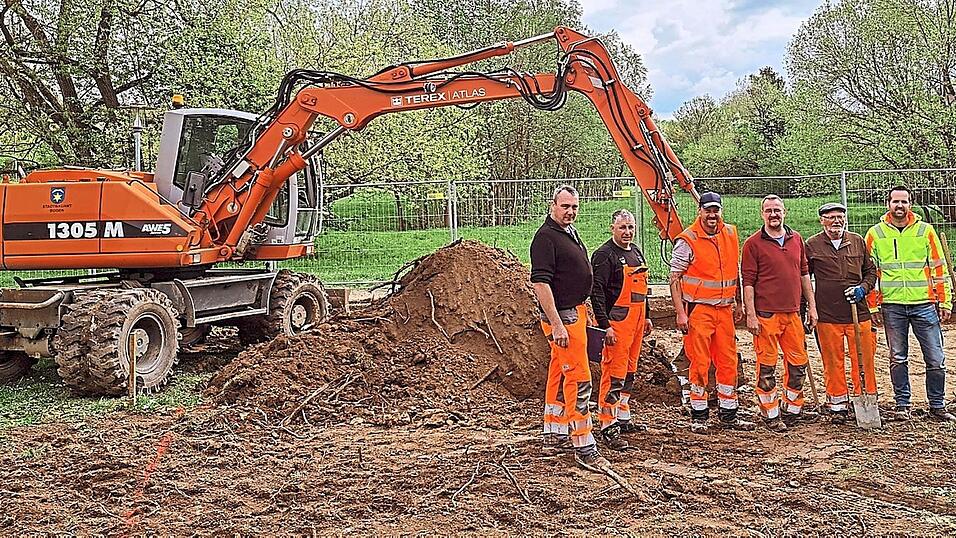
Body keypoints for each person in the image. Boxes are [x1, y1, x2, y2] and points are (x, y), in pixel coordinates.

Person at [530, 185, 610, 471]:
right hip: (563, 317)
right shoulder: (544, 239)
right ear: (552, 205)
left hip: (575, 312)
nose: (570, 212)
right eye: (565, 206)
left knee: (558, 370)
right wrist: (557, 324)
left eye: (574, 207)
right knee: (578, 377)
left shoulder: (568, 232)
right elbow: (541, 283)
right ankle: (583, 444)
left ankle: (554, 431)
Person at [865, 186, 955, 422]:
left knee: (935, 357)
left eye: (904, 202)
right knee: (897, 357)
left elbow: (939, 267)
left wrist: (944, 301)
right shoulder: (875, 234)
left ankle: (937, 405)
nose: (899, 206)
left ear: (910, 205)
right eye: (895, 201)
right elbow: (870, 274)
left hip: (924, 305)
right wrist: (873, 306)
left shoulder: (925, 231)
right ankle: (902, 405)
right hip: (892, 306)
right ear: (888, 204)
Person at [670, 192, 754, 433]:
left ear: (721, 212)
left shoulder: (730, 233)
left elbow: (733, 269)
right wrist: (680, 313)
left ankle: (729, 414)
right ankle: (699, 414)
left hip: (725, 310)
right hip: (699, 311)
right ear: (700, 211)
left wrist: (738, 301)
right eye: (707, 210)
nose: (712, 215)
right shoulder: (687, 239)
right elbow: (674, 277)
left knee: (728, 361)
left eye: (715, 210)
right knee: (699, 362)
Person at [742, 194, 818, 432]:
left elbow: (804, 274)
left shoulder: (796, 240)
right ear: (762, 214)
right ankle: (771, 414)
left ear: (784, 212)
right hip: (766, 316)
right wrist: (751, 315)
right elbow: (748, 282)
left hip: (793, 314)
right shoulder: (753, 244)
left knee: (798, 365)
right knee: (767, 367)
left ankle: (792, 410)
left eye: (777, 210)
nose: (773, 215)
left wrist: (812, 307)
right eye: (769, 211)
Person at [804, 202, 878, 423]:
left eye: (840, 217)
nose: (836, 221)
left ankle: (864, 400)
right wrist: (808, 308)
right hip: (827, 315)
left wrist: (862, 289)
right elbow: (804, 278)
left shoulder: (857, 241)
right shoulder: (812, 245)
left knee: (863, 360)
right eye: (831, 217)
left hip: (858, 313)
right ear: (822, 221)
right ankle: (837, 405)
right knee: (832, 361)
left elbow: (870, 272)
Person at [590, 209, 653, 450]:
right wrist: (605, 326)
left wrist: (646, 316)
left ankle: (622, 415)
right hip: (617, 324)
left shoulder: (636, 252)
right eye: (622, 228)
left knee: (629, 371)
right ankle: (608, 423)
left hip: (636, 323)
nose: (627, 232)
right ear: (612, 228)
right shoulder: (605, 255)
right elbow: (597, 293)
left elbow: (643, 290)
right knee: (613, 373)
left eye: (630, 227)